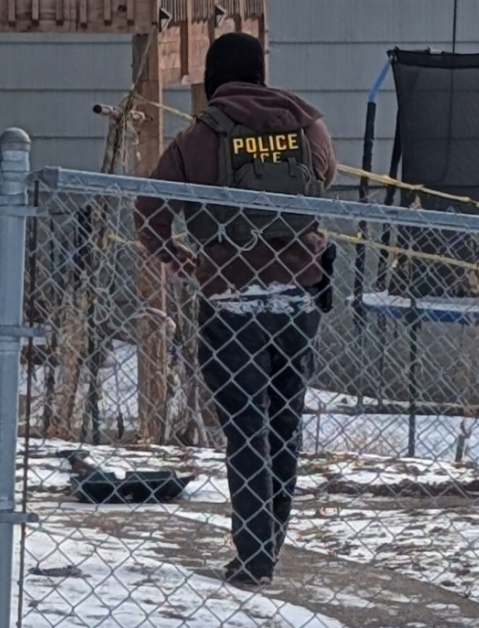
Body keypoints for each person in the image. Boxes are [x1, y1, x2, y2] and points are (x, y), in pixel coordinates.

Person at [134, 33, 338, 586]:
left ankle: (253, 556)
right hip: (299, 297)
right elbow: (323, 180)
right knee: (285, 419)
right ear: (261, 73)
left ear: (211, 81)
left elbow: (149, 209)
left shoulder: (198, 138)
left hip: (230, 300)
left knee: (246, 425)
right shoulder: (307, 126)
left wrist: (175, 255)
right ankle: (271, 542)